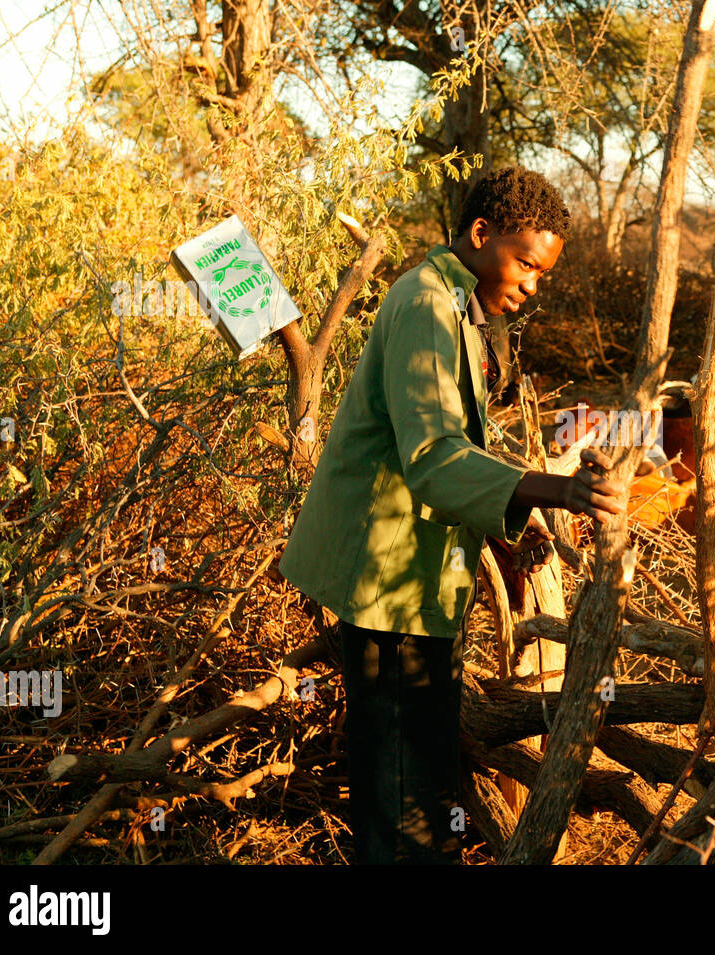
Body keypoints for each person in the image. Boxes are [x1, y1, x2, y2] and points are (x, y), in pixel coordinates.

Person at [278, 166, 627, 864]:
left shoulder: (459, 307)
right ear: (480, 234)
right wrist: (554, 492)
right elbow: (435, 458)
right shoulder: (427, 307)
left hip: (414, 581)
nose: (533, 283)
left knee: (415, 790)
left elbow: (458, 445)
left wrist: (516, 516)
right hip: (388, 585)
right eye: (526, 262)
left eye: (543, 273)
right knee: (402, 805)